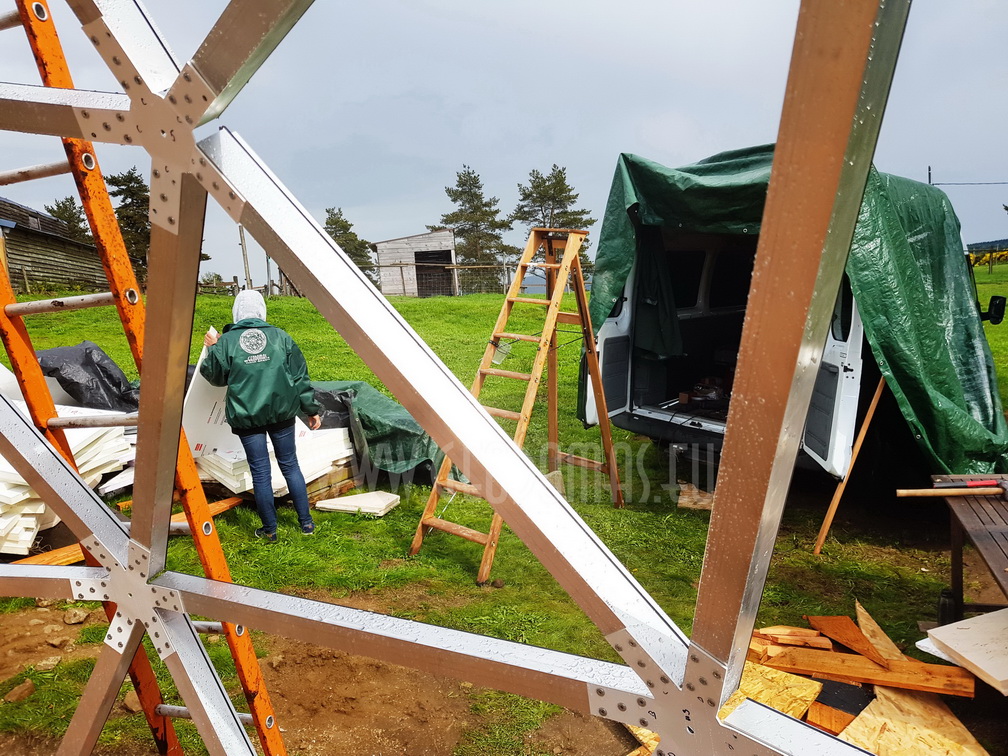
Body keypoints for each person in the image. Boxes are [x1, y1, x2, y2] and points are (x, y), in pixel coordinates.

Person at [200, 290, 321, 543]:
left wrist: (213, 350)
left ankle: (270, 530)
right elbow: (300, 378)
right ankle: (307, 524)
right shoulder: (281, 337)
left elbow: (215, 378)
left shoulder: (226, 342)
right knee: (290, 465)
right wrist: (310, 410)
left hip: (247, 416)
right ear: (262, 310)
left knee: (260, 472)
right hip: (282, 413)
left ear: (236, 312)